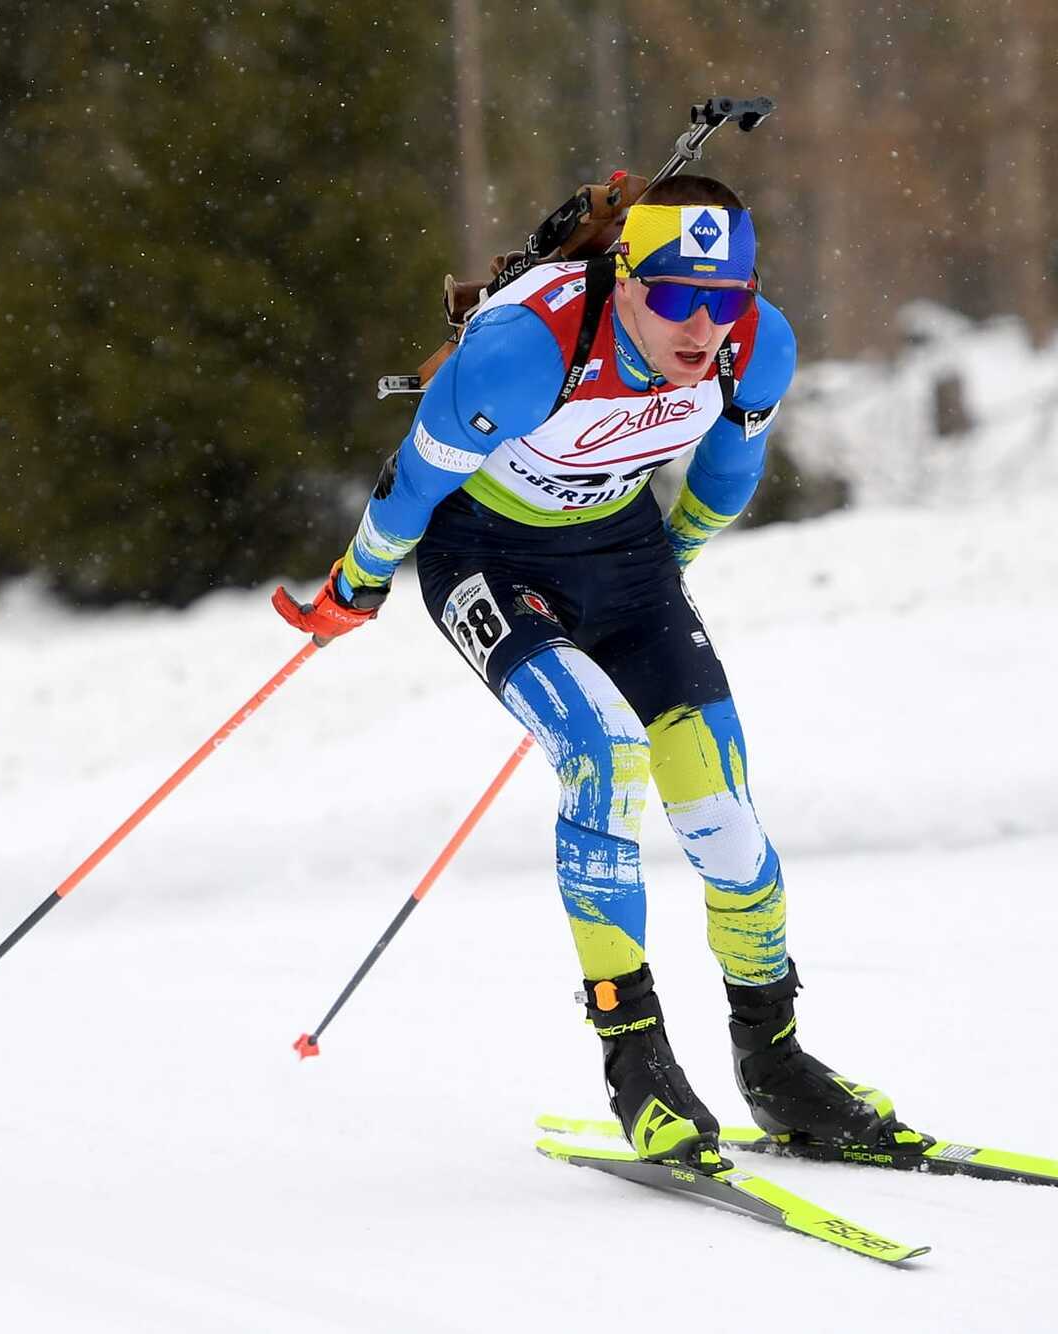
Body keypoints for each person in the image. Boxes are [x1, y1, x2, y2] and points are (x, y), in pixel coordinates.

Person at [279, 175, 904, 1167]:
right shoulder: (522, 355)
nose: (702, 324)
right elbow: (412, 483)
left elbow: (727, 473)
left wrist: (673, 561)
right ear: (622, 281)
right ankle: (635, 1061)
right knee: (605, 753)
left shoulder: (754, 344)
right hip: (484, 557)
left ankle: (776, 1060)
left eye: (724, 295)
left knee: (722, 808)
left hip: (623, 559)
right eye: (674, 295)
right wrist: (354, 584)